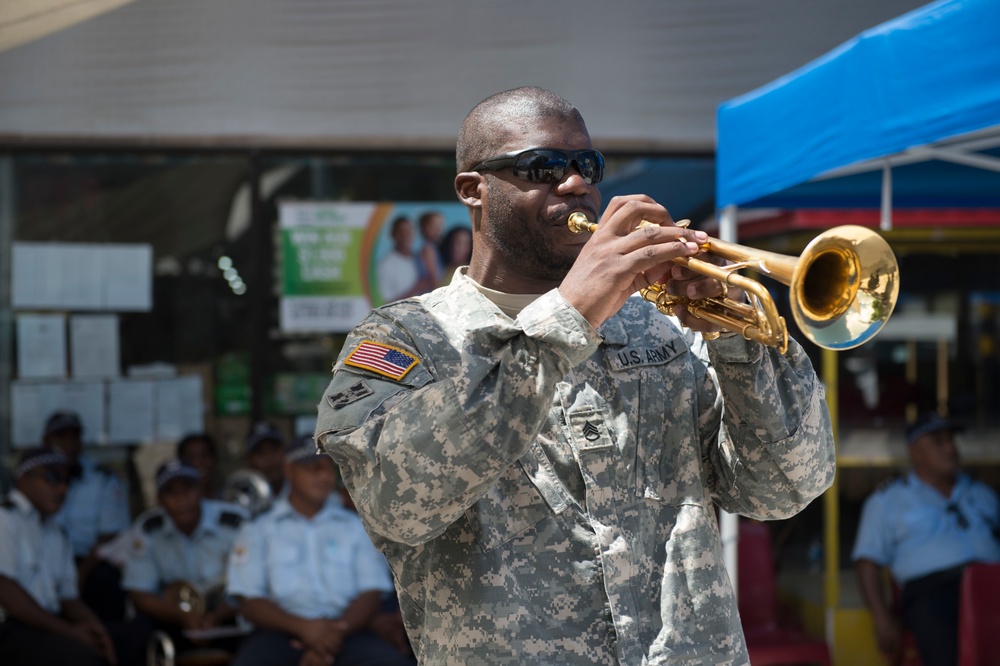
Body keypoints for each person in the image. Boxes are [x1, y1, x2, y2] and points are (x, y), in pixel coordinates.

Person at [313, 85, 835, 664]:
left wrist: (737, 338)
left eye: (588, 165)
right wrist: (570, 313)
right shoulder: (404, 340)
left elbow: (785, 489)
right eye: (542, 167)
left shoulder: (662, 327)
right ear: (473, 190)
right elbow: (398, 504)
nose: (575, 183)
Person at [226, 435, 413, 666]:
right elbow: (250, 601)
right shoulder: (258, 529)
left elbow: (371, 594)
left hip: (348, 630)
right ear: (289, 470)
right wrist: (306, 629)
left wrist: (331, 634)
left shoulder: (355, 525)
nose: (323, 476)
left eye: (328, 468)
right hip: (280, 632)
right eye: (312, 468)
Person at [852, 412, 1000, 666]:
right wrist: (882, 619)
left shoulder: (981, 491)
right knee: (940, 638)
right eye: (938, 442)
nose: (950, 448)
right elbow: (867, 563)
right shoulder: (887, 501)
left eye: (952, 440)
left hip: (991, 582)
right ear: (915, 452)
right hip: (933, 591)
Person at [0, 448, 118, 665]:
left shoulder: (57, 534)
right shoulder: (5, 519)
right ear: (24, 480)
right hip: (11, 630)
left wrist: (99, 632)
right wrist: (72, 633)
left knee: (132, 640)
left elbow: (69, 598)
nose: (62, 488)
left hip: (48, 626)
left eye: (67, 481)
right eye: (53, 478)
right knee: (84, 659)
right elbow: (8, 595)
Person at [122, 459, 247, 649]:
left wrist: (217, 616)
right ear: (159, 499)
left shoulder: (234, 522)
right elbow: (140, 593)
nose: (181, 500)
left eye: (188, 489)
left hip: (229, 614)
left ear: (201, 490)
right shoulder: (148, 528)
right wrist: (183, 617)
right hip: (173, 616)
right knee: (139, 631)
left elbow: (254, 588)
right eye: (171, 492)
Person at [44, 411, 132, 622]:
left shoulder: (103, 479)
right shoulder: (35, 478)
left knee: (107, 579)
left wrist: (78, 576)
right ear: (45, 442)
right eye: (60, 437)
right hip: (45, 560)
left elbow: (110, 535)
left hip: (88, 562)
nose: (68, 444)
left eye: (73, 437)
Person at [376, 216, 420, 303]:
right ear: (393, 234)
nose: (405, 235)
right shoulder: (385, 266)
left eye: (409, 231)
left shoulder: (420, 259)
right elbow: (384, 306)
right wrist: (417, 288)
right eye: (401, 232)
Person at [245, 421, 287, 499]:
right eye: (260, 452)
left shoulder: (304, 491)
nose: (269, 458)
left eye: (274, 450)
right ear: (249, 461)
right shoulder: (243, 498)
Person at [177, 432, 222, 500]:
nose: (198, 463)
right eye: (191, 457)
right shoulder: (176, 504)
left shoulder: (229, 499)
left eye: (205, 455)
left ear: (214, 459)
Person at [416, 210, 445, 291]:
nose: (438, 230)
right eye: (433, 226)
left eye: (440, 225)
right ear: (423, 228)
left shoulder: (433, 248)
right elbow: (434, 279)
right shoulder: (428, 249)